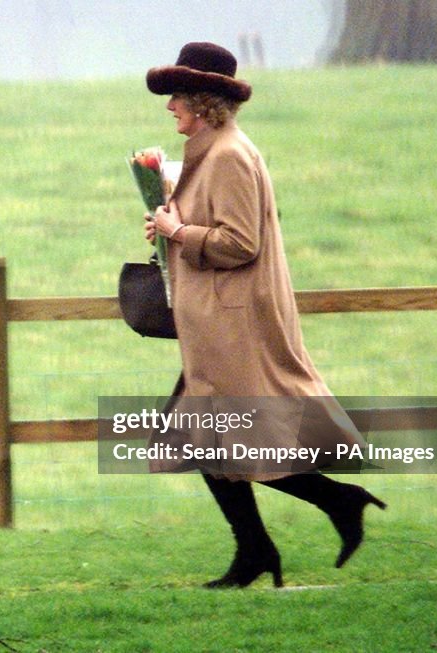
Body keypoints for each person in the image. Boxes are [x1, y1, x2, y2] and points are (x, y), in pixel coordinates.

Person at [142, 42, 386, 588]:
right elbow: (213, 227)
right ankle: (267, 544)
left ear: (203, 103)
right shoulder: (215, 151)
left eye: (177, 97)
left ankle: (325, 508)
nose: (169, 107)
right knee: (204, 441)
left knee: (227, 441)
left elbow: (239, 242)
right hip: (217, 326)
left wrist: (179, 233)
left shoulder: (228, 155)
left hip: (235, 327)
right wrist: (167, 225)